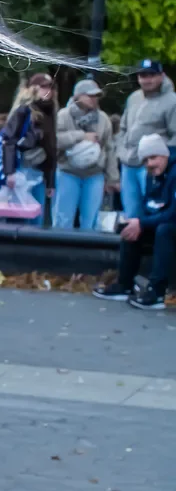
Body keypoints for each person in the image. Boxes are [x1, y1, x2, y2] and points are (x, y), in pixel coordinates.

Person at [94, 132, 175, 308]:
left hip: (170, 225)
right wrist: (136, 222)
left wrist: (143, 222)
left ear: (164, 155)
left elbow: (173, 212)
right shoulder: (152, 174)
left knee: (165, 230)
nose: (149, 164)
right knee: (131, 228)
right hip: (165, 221)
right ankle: (125, 284)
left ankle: (157, 292)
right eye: (145, 161)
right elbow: (150, 205)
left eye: (153, 158)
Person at [114, 57, 176, 217]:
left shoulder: (172, 101)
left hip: (152, 167)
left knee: (153, 211)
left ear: (161, 75)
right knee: (131, 213)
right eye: (143, 75)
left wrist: (163, 160)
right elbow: (122, 129)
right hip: (128, 164)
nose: (147, 79)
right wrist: (121, 153)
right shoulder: (133, 97)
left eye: (151, 75)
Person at [54, 75, 115, 230]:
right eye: (90, 95)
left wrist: (113, 178)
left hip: (94, 175)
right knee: (63, 219)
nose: (94, 99)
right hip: (68, 173)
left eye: (97, 96)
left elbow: (109, 149)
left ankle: (88, 247)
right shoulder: (63, 115)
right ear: (78, 96)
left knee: (91, 221)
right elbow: (55, 141)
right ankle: (60, 245)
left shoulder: (103, 118)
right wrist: (81, 136)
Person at [1, 72, 56, 218]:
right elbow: (9, 141)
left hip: (40, 173)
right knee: (19, 218)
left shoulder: (50, 112)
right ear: (33, 88)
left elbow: (51, 149)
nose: (48, 90)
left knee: (37, 218)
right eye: (44, 87)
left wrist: (50, 182)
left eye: (51, 87)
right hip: (22, 170)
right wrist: (10, 172)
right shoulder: (23, 110)